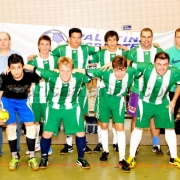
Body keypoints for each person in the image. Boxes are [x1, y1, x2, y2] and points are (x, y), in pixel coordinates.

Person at [74, 55, 141, 172]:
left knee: (120, 127)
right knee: (104, 125)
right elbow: (84, 71)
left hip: (118, 99)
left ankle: (122, 159)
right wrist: (67, 70)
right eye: (116, 70)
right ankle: (105, 151)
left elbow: (145, 68)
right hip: (104, 99)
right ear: (112, 68)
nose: (120, 74)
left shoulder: (132, 71)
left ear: (126, 68)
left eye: (122, 70)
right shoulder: (104, 73)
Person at [24, 57, 92, 169]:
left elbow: (93, 75)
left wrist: (78, 70)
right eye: (62, 70)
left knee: (80, 132)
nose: (65, 73)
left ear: (72, 70)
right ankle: (44, 158)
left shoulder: (79, 77)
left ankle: (81, 158)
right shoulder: (50, 75)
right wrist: (14, 65)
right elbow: (33, 67)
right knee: (47, 133)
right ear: (58, 70)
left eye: (68, 70)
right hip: (53, 107)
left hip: (72, 107)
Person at [126, 52, 180, 169]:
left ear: (169, 64)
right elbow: (128, 62)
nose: (162, 67)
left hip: (163, 103)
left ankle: (174, 157)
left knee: (170, 128)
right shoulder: (146, 67)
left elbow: (179, 84)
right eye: (159, 64)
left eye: (165, 64)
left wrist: (174, 101)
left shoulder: (175, 72)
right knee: (138, 127)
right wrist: (111, 63)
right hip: (145, 102)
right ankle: (131, 156)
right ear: (154, 63)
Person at [88, 30, 128, 153]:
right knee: (102, 119)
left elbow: (133, 61)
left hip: (119, 91)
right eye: (109, 40)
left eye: (114, 39)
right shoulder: (100, 54)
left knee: (117, 119)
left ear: (117, 41)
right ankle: (101, 143)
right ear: (106, 41)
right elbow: (88, 58)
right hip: (103, 89)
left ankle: (116, 142)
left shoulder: (123, 53)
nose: (112, 42)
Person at [126, 28, 164, 155]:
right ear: (140, 38)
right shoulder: (132, 53)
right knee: (135, 118)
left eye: (149, 37)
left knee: (154, 118)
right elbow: (125, 68)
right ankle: (134, 146)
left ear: (152, 38)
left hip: (154, 91)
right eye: (144, 36)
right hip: (136, 90)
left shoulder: (158, 51)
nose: (146, 39)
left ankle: (156, 145)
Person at [0, 54, 41, 171]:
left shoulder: (30, 75)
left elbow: (43, 74)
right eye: (13, 68)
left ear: (23, 66)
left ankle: (32, 157)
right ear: (9, 68)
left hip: (23, 102)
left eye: (19, 67)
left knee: (31, 127)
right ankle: (14, 157)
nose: (16, 71)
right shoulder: (4, 76)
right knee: (11, 128)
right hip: (8, 102)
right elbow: (0, 94)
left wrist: (28, 64)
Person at [25, 35, 59, 155]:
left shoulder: (56, 60)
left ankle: (47, 146)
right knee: (34, 122)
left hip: (50, 97)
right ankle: (36, 144)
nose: (44, 47)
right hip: (35, 97)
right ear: (38, 46)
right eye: (42, 44)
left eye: (47, 44)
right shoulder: (32, 61)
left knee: (48, 123)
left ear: (50, 46)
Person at [0, 32, 21, 156]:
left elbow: (22, 74)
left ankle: (16, 150)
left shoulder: (16, 55)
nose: (3, 42)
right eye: (0, 39)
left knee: (14, 124)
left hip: (13, 96)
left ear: (9, 41)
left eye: (5, 39)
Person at [166, 28, 180, 155]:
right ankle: (171, 147)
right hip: (172, 91)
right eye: (178, 37)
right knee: (170, 120)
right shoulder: (168, 53)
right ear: (174, 38)